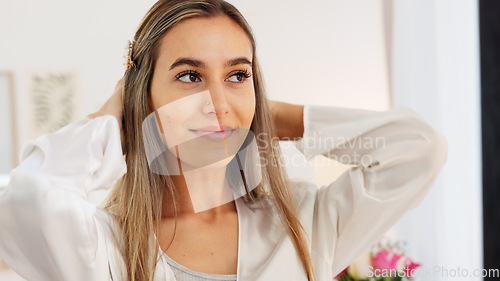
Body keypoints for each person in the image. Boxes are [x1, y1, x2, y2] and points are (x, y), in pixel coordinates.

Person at [0, 0, 448, 281]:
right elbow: (23, 198)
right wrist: (109, 119)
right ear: (144, 94)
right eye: (190, 76)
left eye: (237, 75)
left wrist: (269, 114)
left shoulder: (306, 224)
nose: (216, 101)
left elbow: (419, 149)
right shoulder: (106, 247)